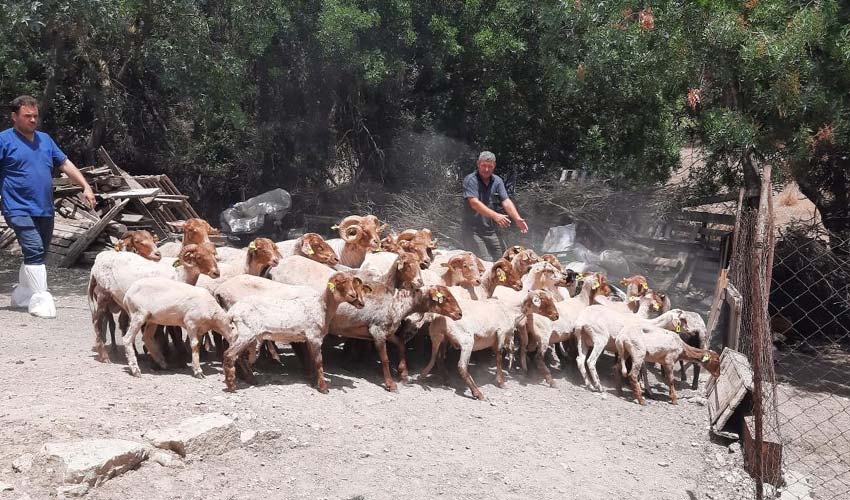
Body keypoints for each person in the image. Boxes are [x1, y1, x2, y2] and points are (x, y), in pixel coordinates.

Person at [0, 95, 95, 318]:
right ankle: (40, 298)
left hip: (44, 208)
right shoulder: (4, 140)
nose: (33, 120)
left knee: (38, 253)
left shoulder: (45, 140)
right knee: (34, 249)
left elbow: (64, 163)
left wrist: (85, 186)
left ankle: (23, 294)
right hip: (17, 208)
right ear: (14, 117)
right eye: (27, 116)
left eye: (35, 116)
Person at [461, 151, 528, 261]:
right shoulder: (471, 180)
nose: (486, 169)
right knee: (484, 261)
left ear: (494, 166)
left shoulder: (497, 181)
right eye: (483, 166)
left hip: (490, 230)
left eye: (490, 166)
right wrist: (496, 216)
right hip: (472, 231)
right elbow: (474, 203)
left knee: (502, 260)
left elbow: (506, 201)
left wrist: (517, 218)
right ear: (478, 164)